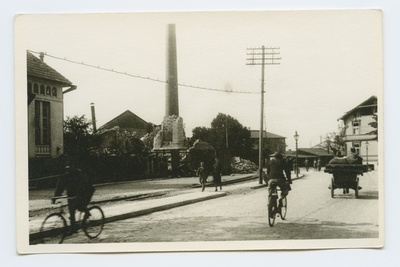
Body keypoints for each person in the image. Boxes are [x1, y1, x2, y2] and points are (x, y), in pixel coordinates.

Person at [52, 155, 95, 234]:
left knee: (80, 206)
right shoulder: (64, 176)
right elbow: (60, 187)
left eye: (68, 167)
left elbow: (84, 184)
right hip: (72, 194)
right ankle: (73, 229)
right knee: (71, 210)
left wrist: (78, 195)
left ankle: (87, 213)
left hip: (85, 191)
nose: (67, 169)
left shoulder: (78, 173)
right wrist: (55, 196)